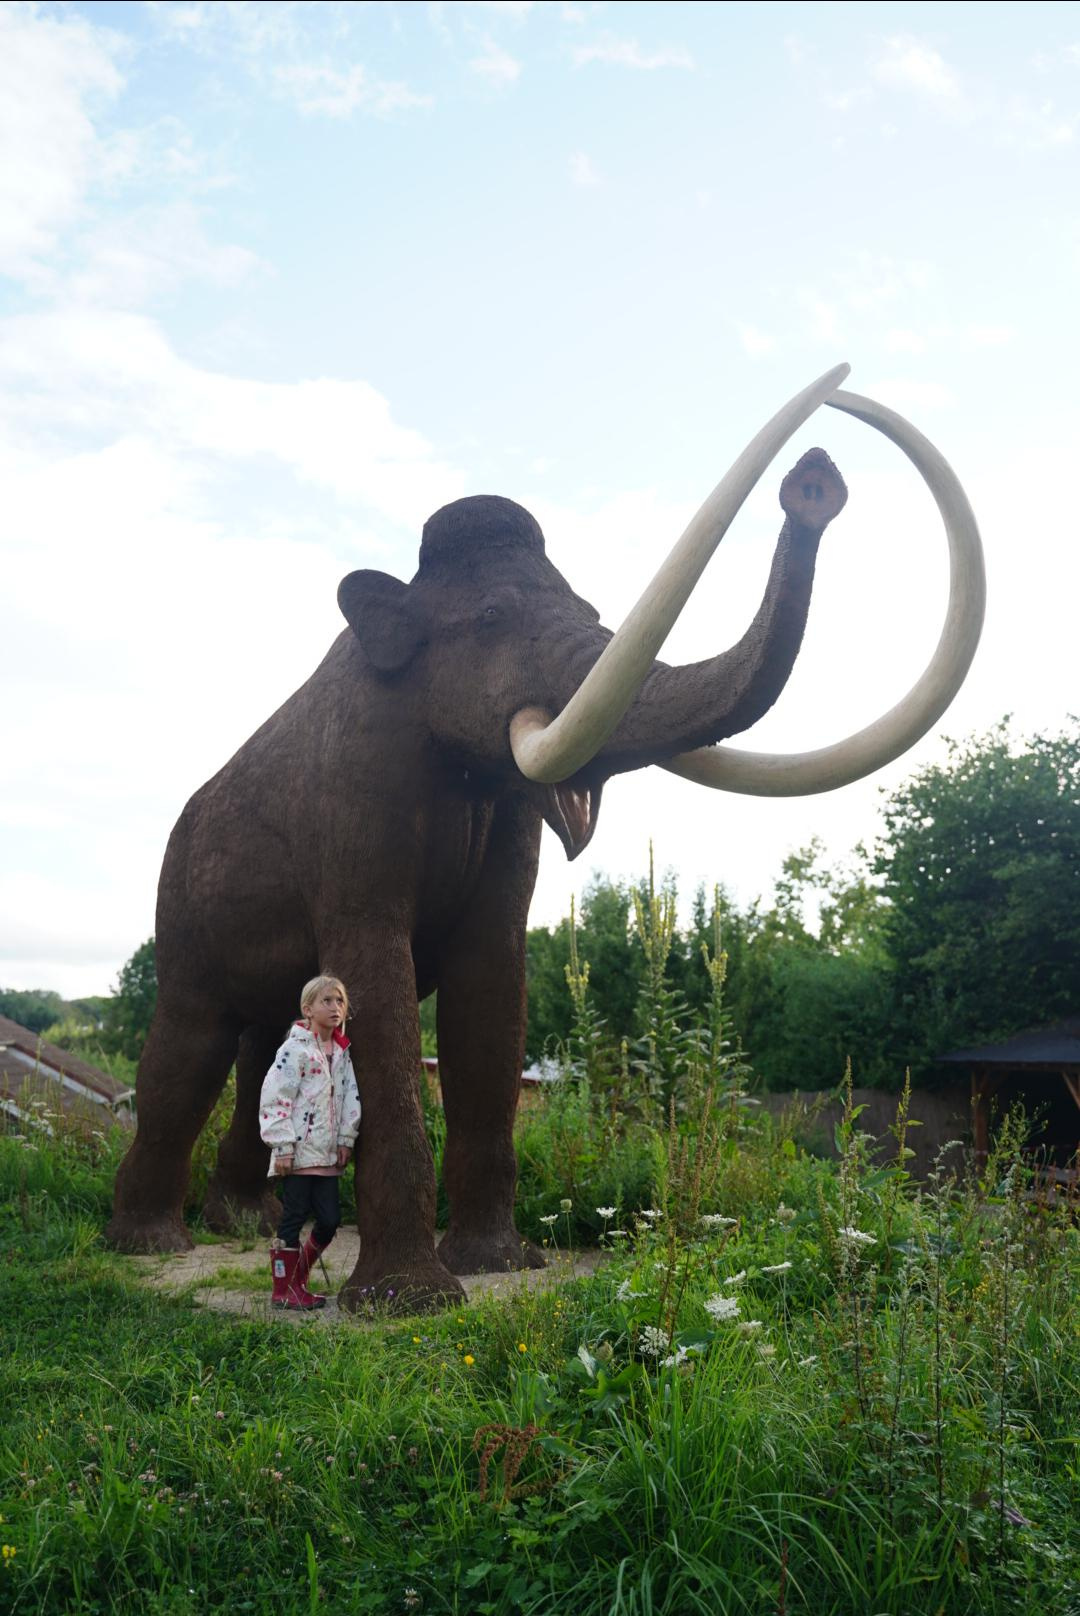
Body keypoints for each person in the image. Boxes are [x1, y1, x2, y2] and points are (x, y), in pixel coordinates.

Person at [259, 975, 361, 1311]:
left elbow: (349, 1098)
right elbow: (277, 1096)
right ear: (308, 1009)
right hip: (299, 1152)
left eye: (339, 1001)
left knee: (330, 1220)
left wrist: (347, 1139)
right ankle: (282, 1291)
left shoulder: (342, 1052)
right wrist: (282, 1145)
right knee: (293, 1217)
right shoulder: (294, 1049)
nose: (335, 1008)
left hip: (328, 1155)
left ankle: (297, 1279)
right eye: (327, 1001)